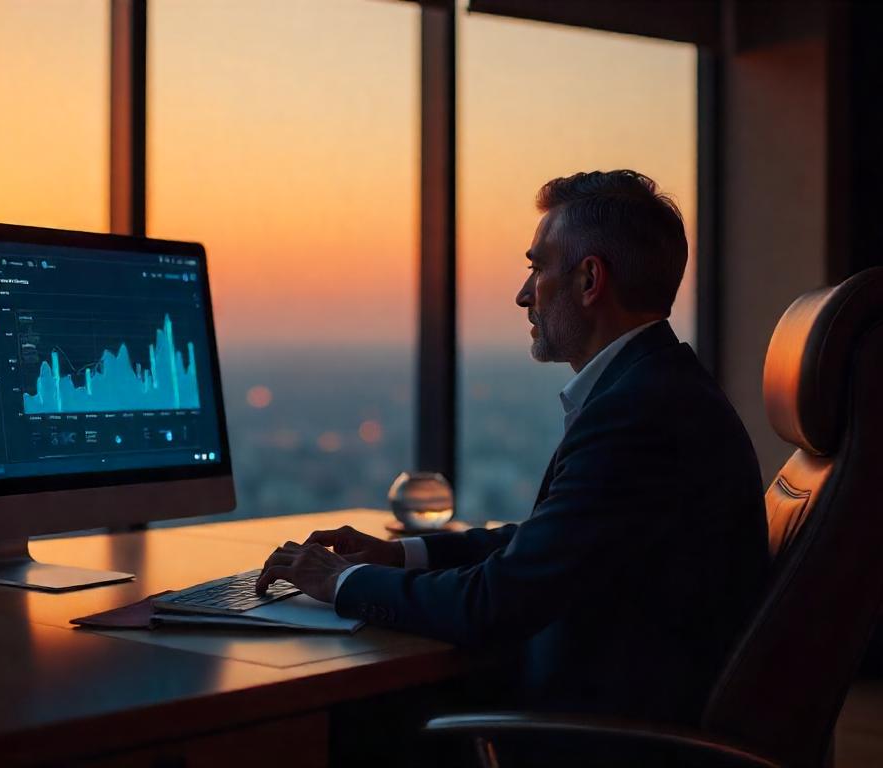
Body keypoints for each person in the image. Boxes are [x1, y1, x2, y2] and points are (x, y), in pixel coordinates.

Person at [256, 170, 769, 724]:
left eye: (537, 267)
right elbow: (548, 544)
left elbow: (495, 602)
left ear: (590, 279)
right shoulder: (658, 388)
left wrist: (339, 581)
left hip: (592, 737)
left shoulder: (640, 414)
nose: (523, 294)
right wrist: (403, 553)